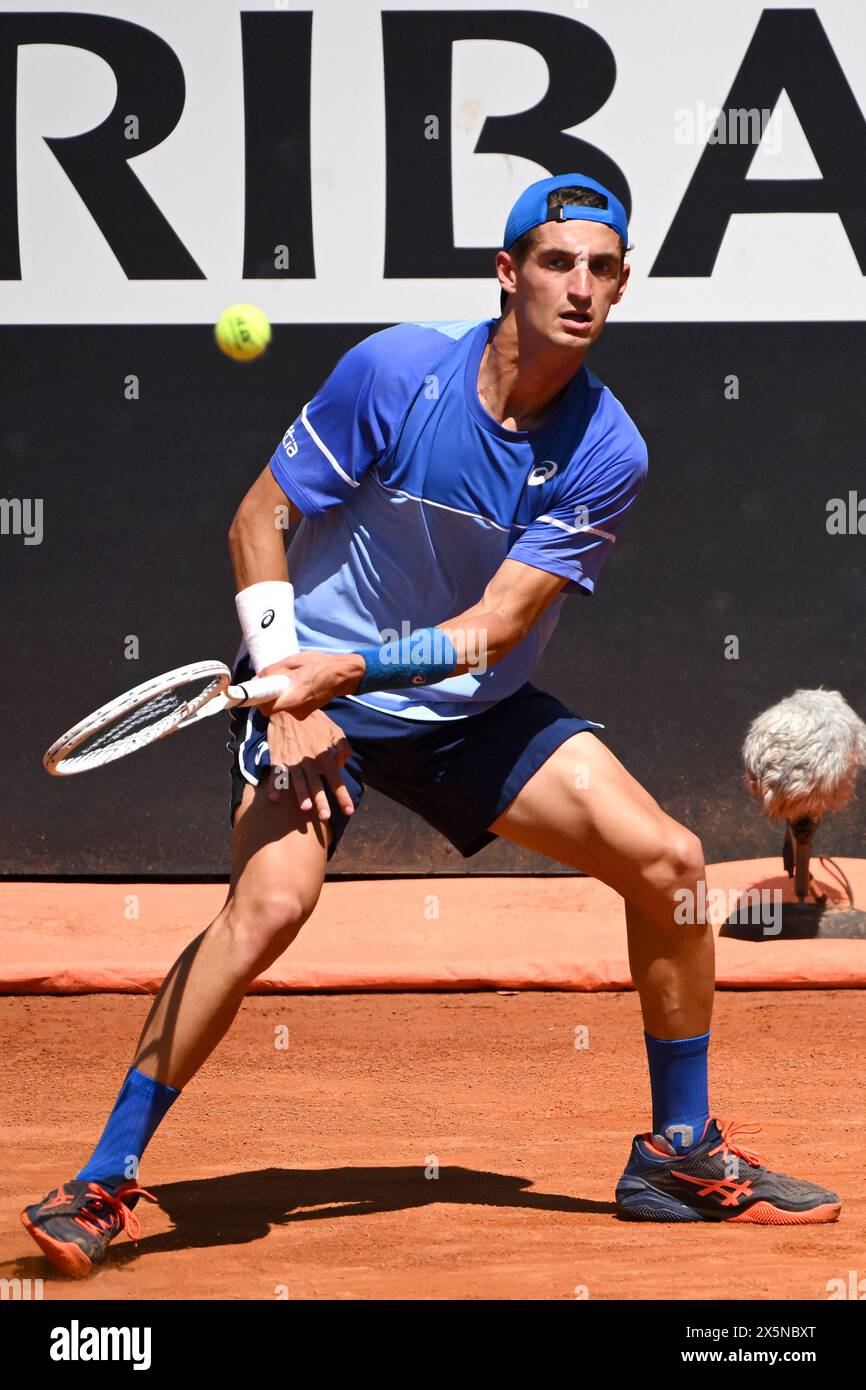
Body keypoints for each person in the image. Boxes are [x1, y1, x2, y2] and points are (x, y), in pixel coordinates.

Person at [21, 173, 839, 1278]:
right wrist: (285, 681)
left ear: (622, 286)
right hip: (306, 692)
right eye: (556, 261)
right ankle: (105, 1177)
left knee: (669, 861)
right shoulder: (397, 370)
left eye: (602, 268)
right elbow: (255, 518)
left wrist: (341, 672)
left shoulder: (608, 450)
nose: (580, 286)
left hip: (465, 712)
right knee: (266, 910)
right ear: (506, 272)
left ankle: (675, 1154)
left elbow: (492, 631)